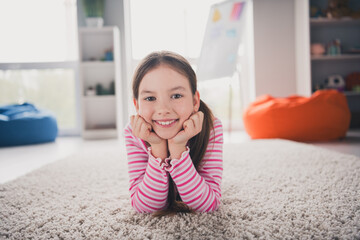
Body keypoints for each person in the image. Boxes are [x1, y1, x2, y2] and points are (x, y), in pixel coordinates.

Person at [124, 51, 223, 216]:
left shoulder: (211, 127)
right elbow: (146, 207)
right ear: (137, 105)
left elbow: (208, 205)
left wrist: (178, 148)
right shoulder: (133, 132)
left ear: (195, 101)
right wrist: (157, 148)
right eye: (150, 98)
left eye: (176, 96)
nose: (163, 110)